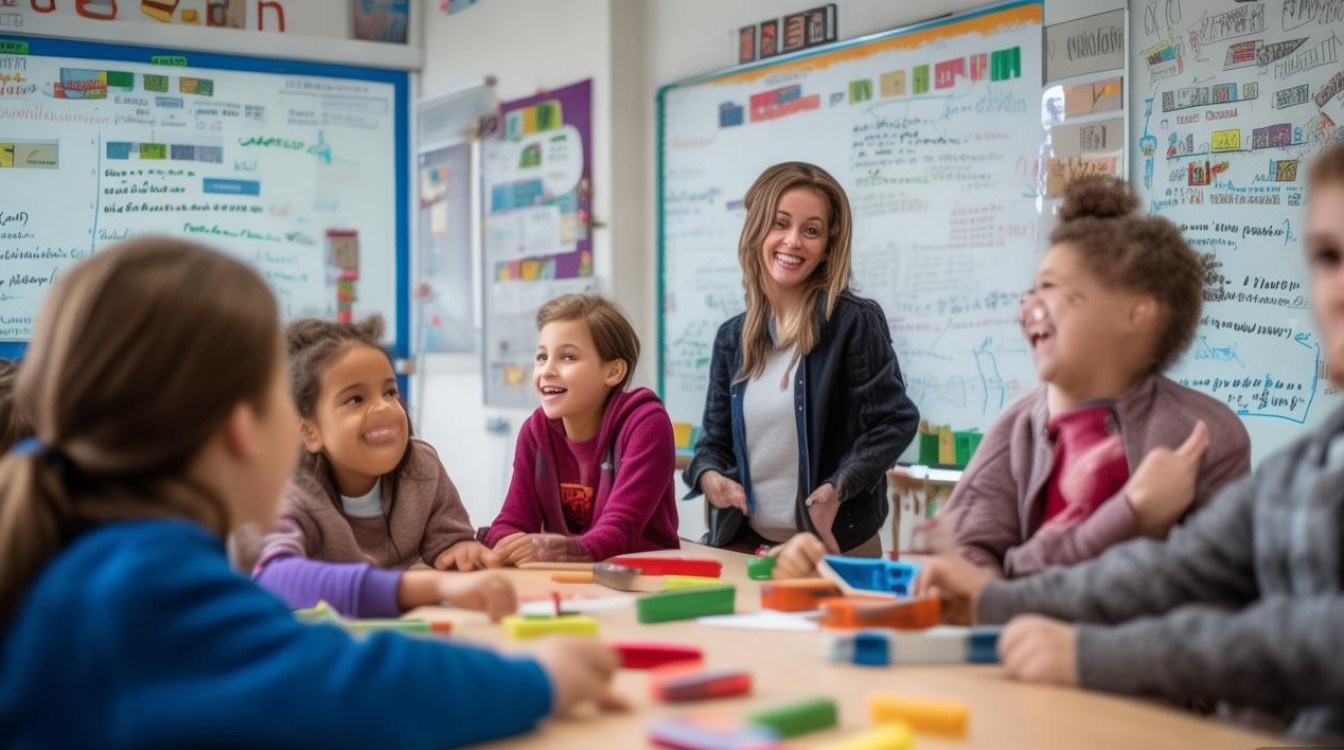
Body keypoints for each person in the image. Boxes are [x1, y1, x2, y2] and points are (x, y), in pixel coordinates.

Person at [0, 237, 620, 748]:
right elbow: (352, 688)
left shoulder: (82, 543)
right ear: (244, 428)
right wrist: (541, 679)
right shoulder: (138, 586)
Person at [915, 140, 1344, 741]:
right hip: (1019, 676)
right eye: (1327, 258)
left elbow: (1276, 632)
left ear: (1137, 315)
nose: (1335, 291)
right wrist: (994, 600)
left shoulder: (1203, 435)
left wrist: (1079, 646)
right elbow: (1174, 570)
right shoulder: (1309, 463)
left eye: (1056, 289)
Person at [685, 161, 919, 560]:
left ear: (827, 244)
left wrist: (839, 487)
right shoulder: (731, 338)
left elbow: (893, 421)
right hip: (747, 551)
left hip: (834, 549)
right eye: (780, 223)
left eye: (811, 230)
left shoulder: (853, 323)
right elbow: (714, 444)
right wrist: (708, 476)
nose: (793, 241)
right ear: (757, 230)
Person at [251, 315, 509, 619]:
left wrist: (462, 551)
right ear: (309, 432)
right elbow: (273, 578)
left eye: (389, 392)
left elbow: (449, 540)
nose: (385, 407)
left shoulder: (422, 467)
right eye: (355, 399)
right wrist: (423, 588)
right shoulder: (289, 490)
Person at [483, 294, 679, 565]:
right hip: (570, 574)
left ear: (613, 372)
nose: (547, 370)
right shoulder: (534, 431)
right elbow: (511, 522)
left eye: (568, 357)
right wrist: (505, 543)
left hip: (641, 574)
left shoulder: (645, 424)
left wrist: (550, 549)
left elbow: (618, 531)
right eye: (542, 356)